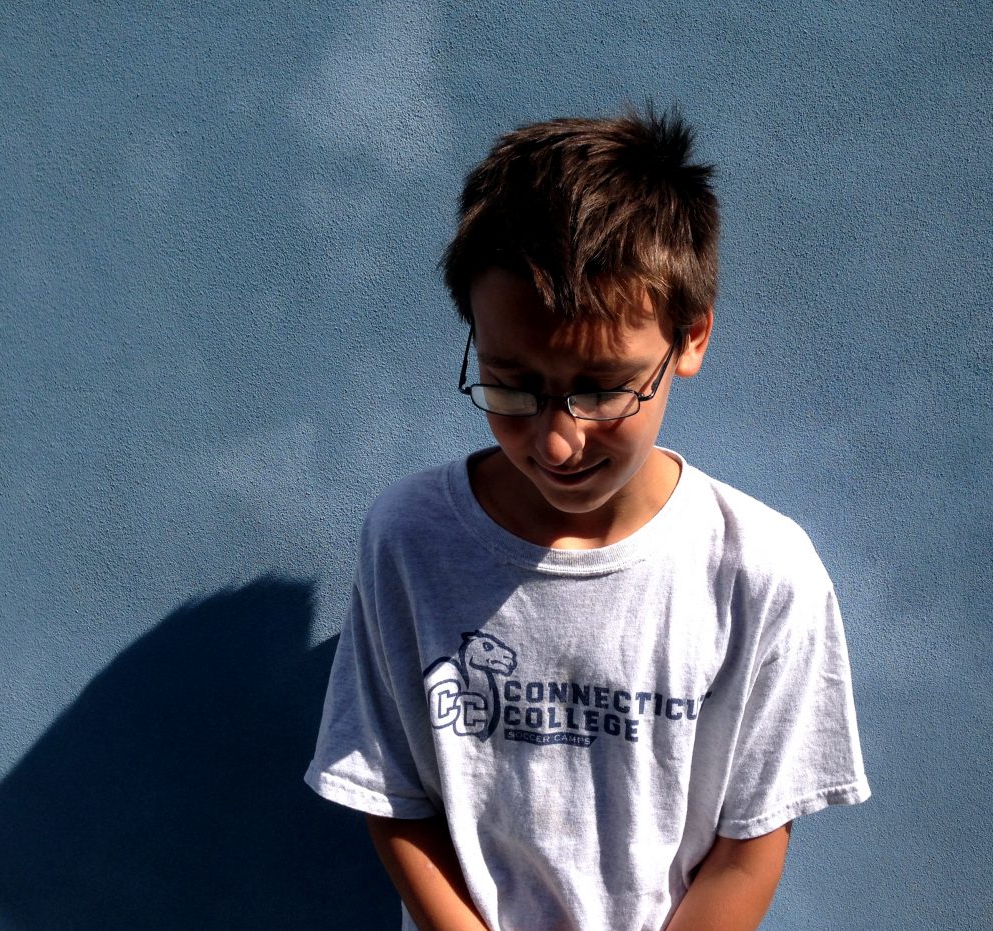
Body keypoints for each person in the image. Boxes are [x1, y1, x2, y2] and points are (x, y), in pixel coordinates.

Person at [305, 105, 870, 931]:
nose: (559, 441)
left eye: (604, 388)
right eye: (511, 385)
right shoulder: (409, 539)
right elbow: (393, 795)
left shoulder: (762, 571)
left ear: (690, 337)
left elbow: (749, 845)